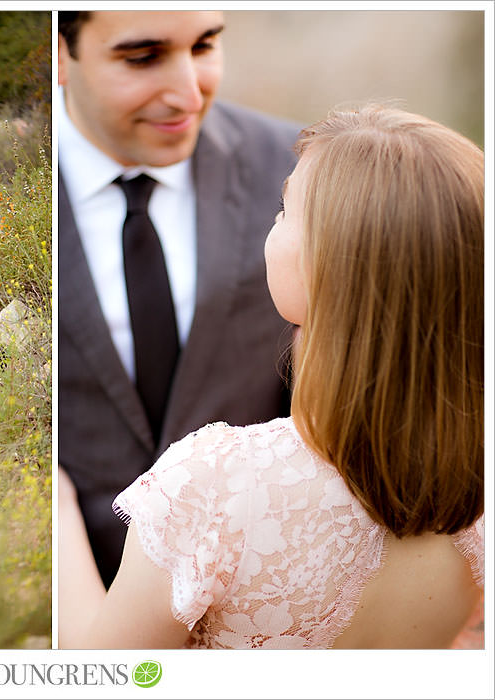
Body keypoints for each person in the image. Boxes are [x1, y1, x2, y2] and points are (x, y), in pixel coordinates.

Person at [59, 104, 484, 649]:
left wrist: (62, 513)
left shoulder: (215, 486)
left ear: (333, 265)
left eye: (285, 209)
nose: (272, 223)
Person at [58, 10, 300, 588]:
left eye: (205, 45)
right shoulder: (0, 192)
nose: (190, 94)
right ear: (59, 55)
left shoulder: (297, 171)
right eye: (142, 57)